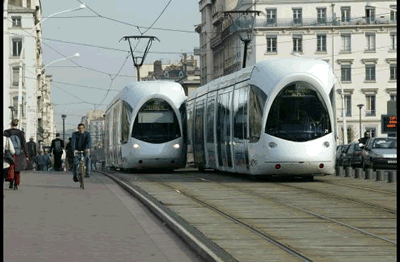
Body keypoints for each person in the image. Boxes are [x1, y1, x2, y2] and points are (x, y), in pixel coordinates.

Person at [3, 119, 29, 190]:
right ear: (17, 124)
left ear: (11, 123)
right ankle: (16, 184)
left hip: (9, 153)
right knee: (17, 169)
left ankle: (11, 182)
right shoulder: (20, 133)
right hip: (18, 153)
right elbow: (24, 144)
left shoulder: (6, 132)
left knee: (10, 167)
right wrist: (27, 155)